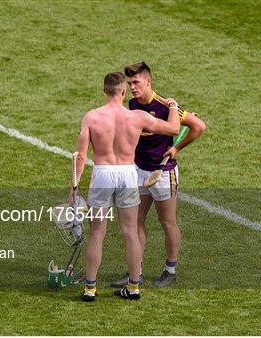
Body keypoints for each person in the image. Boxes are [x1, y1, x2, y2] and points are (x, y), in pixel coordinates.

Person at [70, 72, 181, 301]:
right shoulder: (137, 117)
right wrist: (172, 106)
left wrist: (74, 186)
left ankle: (90, 288)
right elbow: (173, 129)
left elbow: (81, 156)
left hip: (102, 175)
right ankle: (133, 287)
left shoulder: (91, 117)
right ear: (123, 92)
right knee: (131, 232)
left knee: (97, 233)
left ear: (104, 91)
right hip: (128, 175)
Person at [111, 62, 206, 288]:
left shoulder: (166, 107)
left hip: (163, 174)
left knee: (167, 222)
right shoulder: (133, 104)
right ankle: (137, 271)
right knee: (136, 222)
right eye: (130, 83)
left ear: (148, 81)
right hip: (140, 171)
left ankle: (170, 269)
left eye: (136, 82)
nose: (132, 87)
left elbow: (199, 126)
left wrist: (177, 148)